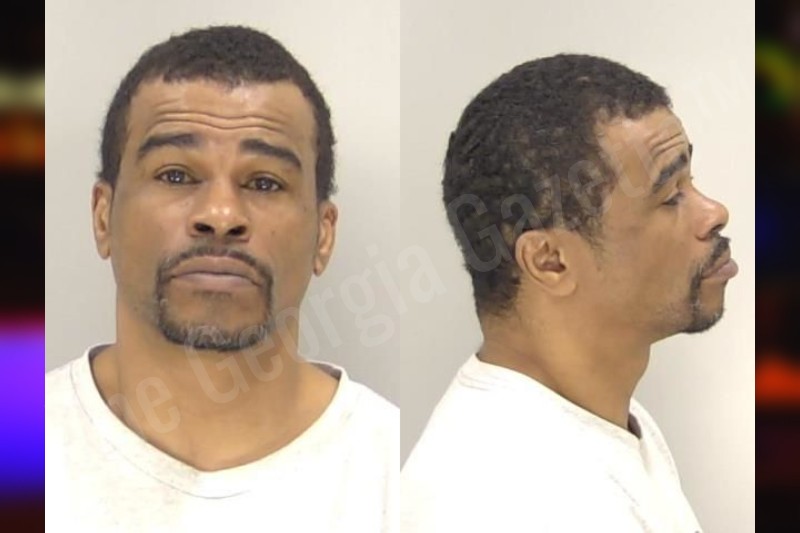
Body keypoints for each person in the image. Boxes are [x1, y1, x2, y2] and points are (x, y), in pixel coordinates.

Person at [45, 26, 397, 532]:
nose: (221, 214)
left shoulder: (398, 474)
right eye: (175, 175)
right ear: (103, 217)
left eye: (264, 182)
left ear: (323, 235)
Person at [401, 54, 736, 532]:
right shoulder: (506, 502)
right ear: (549, 261)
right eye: (669, 197)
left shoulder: (598, 424)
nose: (715, 212)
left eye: (691, 182)